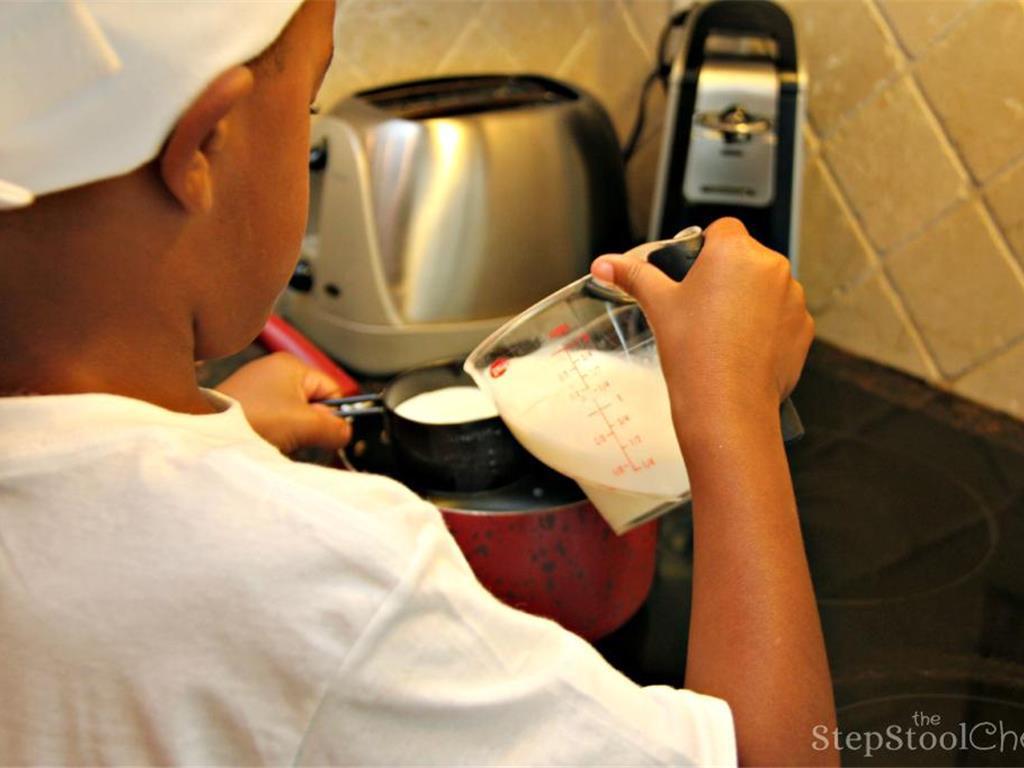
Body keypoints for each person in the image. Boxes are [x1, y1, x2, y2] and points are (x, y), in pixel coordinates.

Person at [0, 1, 836, 765]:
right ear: (204, 148)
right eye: (310, 110)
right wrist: (735, 414)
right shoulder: (327, 582)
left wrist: (205, 435)